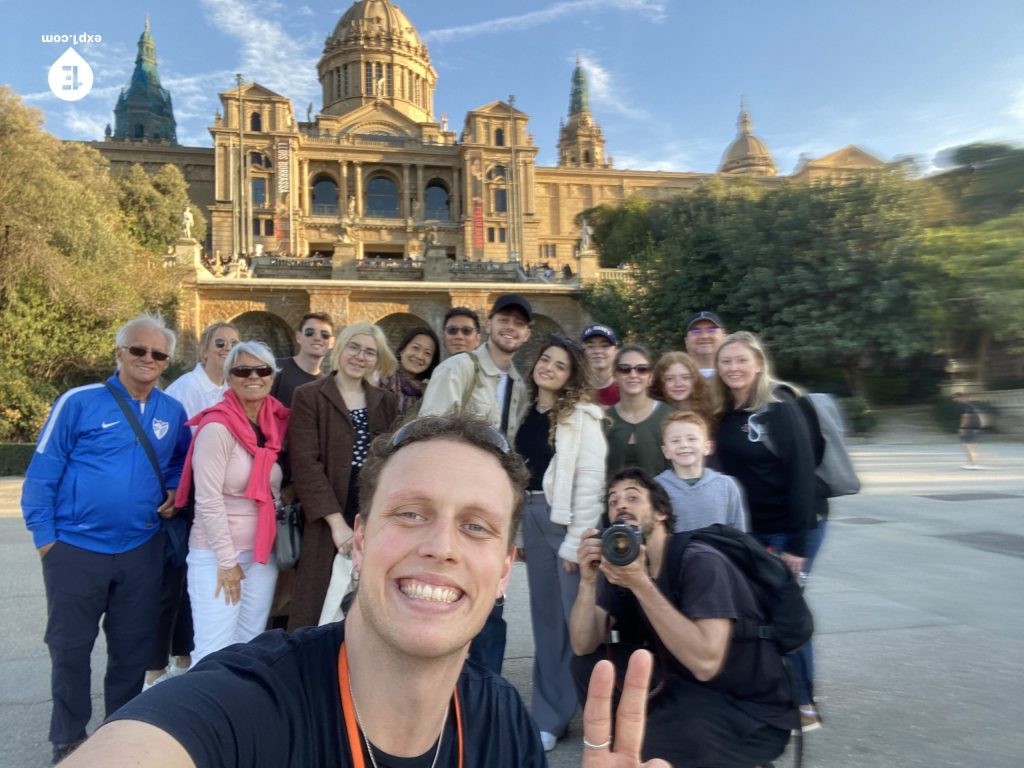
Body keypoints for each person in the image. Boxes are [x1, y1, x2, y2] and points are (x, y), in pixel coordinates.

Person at [60, 415, 668, 768]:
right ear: (360, 536)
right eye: (409, 513)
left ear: (505, 570)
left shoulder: (502, 722)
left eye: (476, 526)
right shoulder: (244, 705)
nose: (442, 547)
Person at [21, 312, 191, 765]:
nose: (147, 358)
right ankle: (69, 739)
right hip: (75, 550)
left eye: (158, 354)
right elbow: (43, 471)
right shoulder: (79, 401)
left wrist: (174, 486)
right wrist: (46, 540)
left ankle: (119, 733)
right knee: (70, 649)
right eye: (138, 349)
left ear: (167, 361)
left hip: (140, 549)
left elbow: (179, 460)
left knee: (132, 651)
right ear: (119, 353)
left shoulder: (171, 411)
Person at [569, 468, 797, 767]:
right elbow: (582, 646)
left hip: (747, 709)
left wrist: (640, 584)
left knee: (653, 745)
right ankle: (624, 747)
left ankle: (733, 757)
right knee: (591, 666)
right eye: (613, 502)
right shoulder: (627, 566)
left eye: (633, 497)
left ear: (661, 513)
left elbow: (706, 664)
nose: (620, 506)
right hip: (683, 686)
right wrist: (587, 582)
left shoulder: (700, 561)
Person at [712, 331, 821, 730]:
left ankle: (804, 702)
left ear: (758, 364)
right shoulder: (727, 412)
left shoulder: (779, 408)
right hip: (749, 532)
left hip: (785, 530)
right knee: (755, 617)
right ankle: (768, 695)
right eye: (726, 362)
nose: (733, 368)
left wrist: (796, 545)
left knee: (786, 613)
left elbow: (802, 477)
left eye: (741, 360)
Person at [420, 293, 533, 674]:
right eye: (504, 319)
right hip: (454, 501)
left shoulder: (517, 383)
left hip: (491, 504)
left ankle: (485, 697)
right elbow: (430, 435)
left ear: (527, 333)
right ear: (489, 323)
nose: (510, 327)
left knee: (489, 607)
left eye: (518, 323)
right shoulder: (459, 369)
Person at [515, 335, 607, 751]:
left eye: (560, 365)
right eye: (545, 360)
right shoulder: (524, 409)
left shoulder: (581, 417)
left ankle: (596, 711)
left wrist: (576, 543)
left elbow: (590, 481)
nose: (548, 367)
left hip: (566, 523)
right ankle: (551, 717)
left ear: (572, 376)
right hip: (531, 519)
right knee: (547, 624)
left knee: (579, 627)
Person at [174, 341, 289, 666]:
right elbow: (207, 500)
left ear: (272, 375)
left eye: (262, 370)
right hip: (218, 556)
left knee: (249, 645)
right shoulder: (217, 427)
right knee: (213, 651)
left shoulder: (273, 426)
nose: (253, 376)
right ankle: (202, 716)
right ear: (229, 377)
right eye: (242, 370)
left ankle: (236, 715)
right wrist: (226, 562)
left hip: (262, 555)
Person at [146, 322, 241, 691]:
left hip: (219, 500)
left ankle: (183, 657)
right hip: (187, 500)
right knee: (171, 587)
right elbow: (167, 446)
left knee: (194, 589)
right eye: (220, 343)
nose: (226, 348)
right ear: (203, 350)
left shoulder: (233, 390)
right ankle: (155, 670)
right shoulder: (186, 389)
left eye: (234, 344)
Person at [287, 322, 398, 631]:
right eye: (354, 347)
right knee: (318, 600)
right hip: (327, 509)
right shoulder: (310, 395)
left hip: (370, 509)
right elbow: (305, 462)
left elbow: (391, 459)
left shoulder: (385, 401)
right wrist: (336, 523)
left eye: (369, 352)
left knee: (369, 599)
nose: (360, 357)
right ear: (341, 348)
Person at [654, 412, 747, 532]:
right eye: (675, 440)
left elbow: (739, 535)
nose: (684, 445)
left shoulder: (727, 486)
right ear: (666, 451)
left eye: (691, 439)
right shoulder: (656, 488)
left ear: (707, 447)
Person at [605, 344, 671, 478]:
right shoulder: (604, 420)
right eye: (625, 369)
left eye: (642, 369)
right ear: (615, 376)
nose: (633, 375)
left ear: (650, 377)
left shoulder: (670, 417)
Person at [271, 313, 335, 408]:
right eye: (310, 332)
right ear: (298, 337)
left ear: (332, 343)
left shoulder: (327, 386)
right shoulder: (275, 368)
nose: (317, 338)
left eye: (325, 334)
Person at [379, 326, 440, 420]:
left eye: (427, 353)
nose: (420, 356)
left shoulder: (430, 393)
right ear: (402, 350)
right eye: (415, 348)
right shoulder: (381, 379)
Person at [649, 351, 714, 425]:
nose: (678, 384)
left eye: (685, 377)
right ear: (660, 382)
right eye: (670, 379)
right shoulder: (653, 413)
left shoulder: (711, 408)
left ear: (695, 379)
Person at [580, 323, 620, 407]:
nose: (597, 351)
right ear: (583, 352)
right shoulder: (574, 391)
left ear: (616, 352)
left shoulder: (625, 390)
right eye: (590, 346)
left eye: (605, 346)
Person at [684, 311, 727, 379]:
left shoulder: (736, 376)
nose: (704, 336)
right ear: (686, 341)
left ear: (724, 337)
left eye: (711, 330)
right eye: (696, 331)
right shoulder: (674, 378)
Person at [955, 391, 983, 469]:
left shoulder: (962, 405)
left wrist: (962, 428)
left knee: (966, 446)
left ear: (960, 397)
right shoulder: (970, 405)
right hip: (974, 426)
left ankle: (973, 464)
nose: (954, 399)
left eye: (956, 397)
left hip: (968, 427)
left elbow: (965, 417)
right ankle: (973, 463)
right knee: (969, 445)